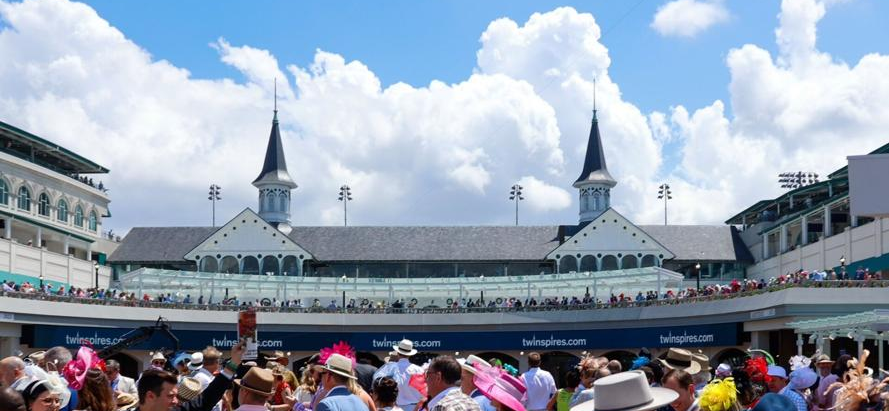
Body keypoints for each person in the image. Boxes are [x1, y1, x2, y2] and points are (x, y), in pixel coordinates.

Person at [372, 341, 422, 411]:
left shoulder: (390, 367)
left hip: (395, 407)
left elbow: (376, 380)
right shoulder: (419, 370)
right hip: (415, 408)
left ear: (397, 353)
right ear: (410, 354)